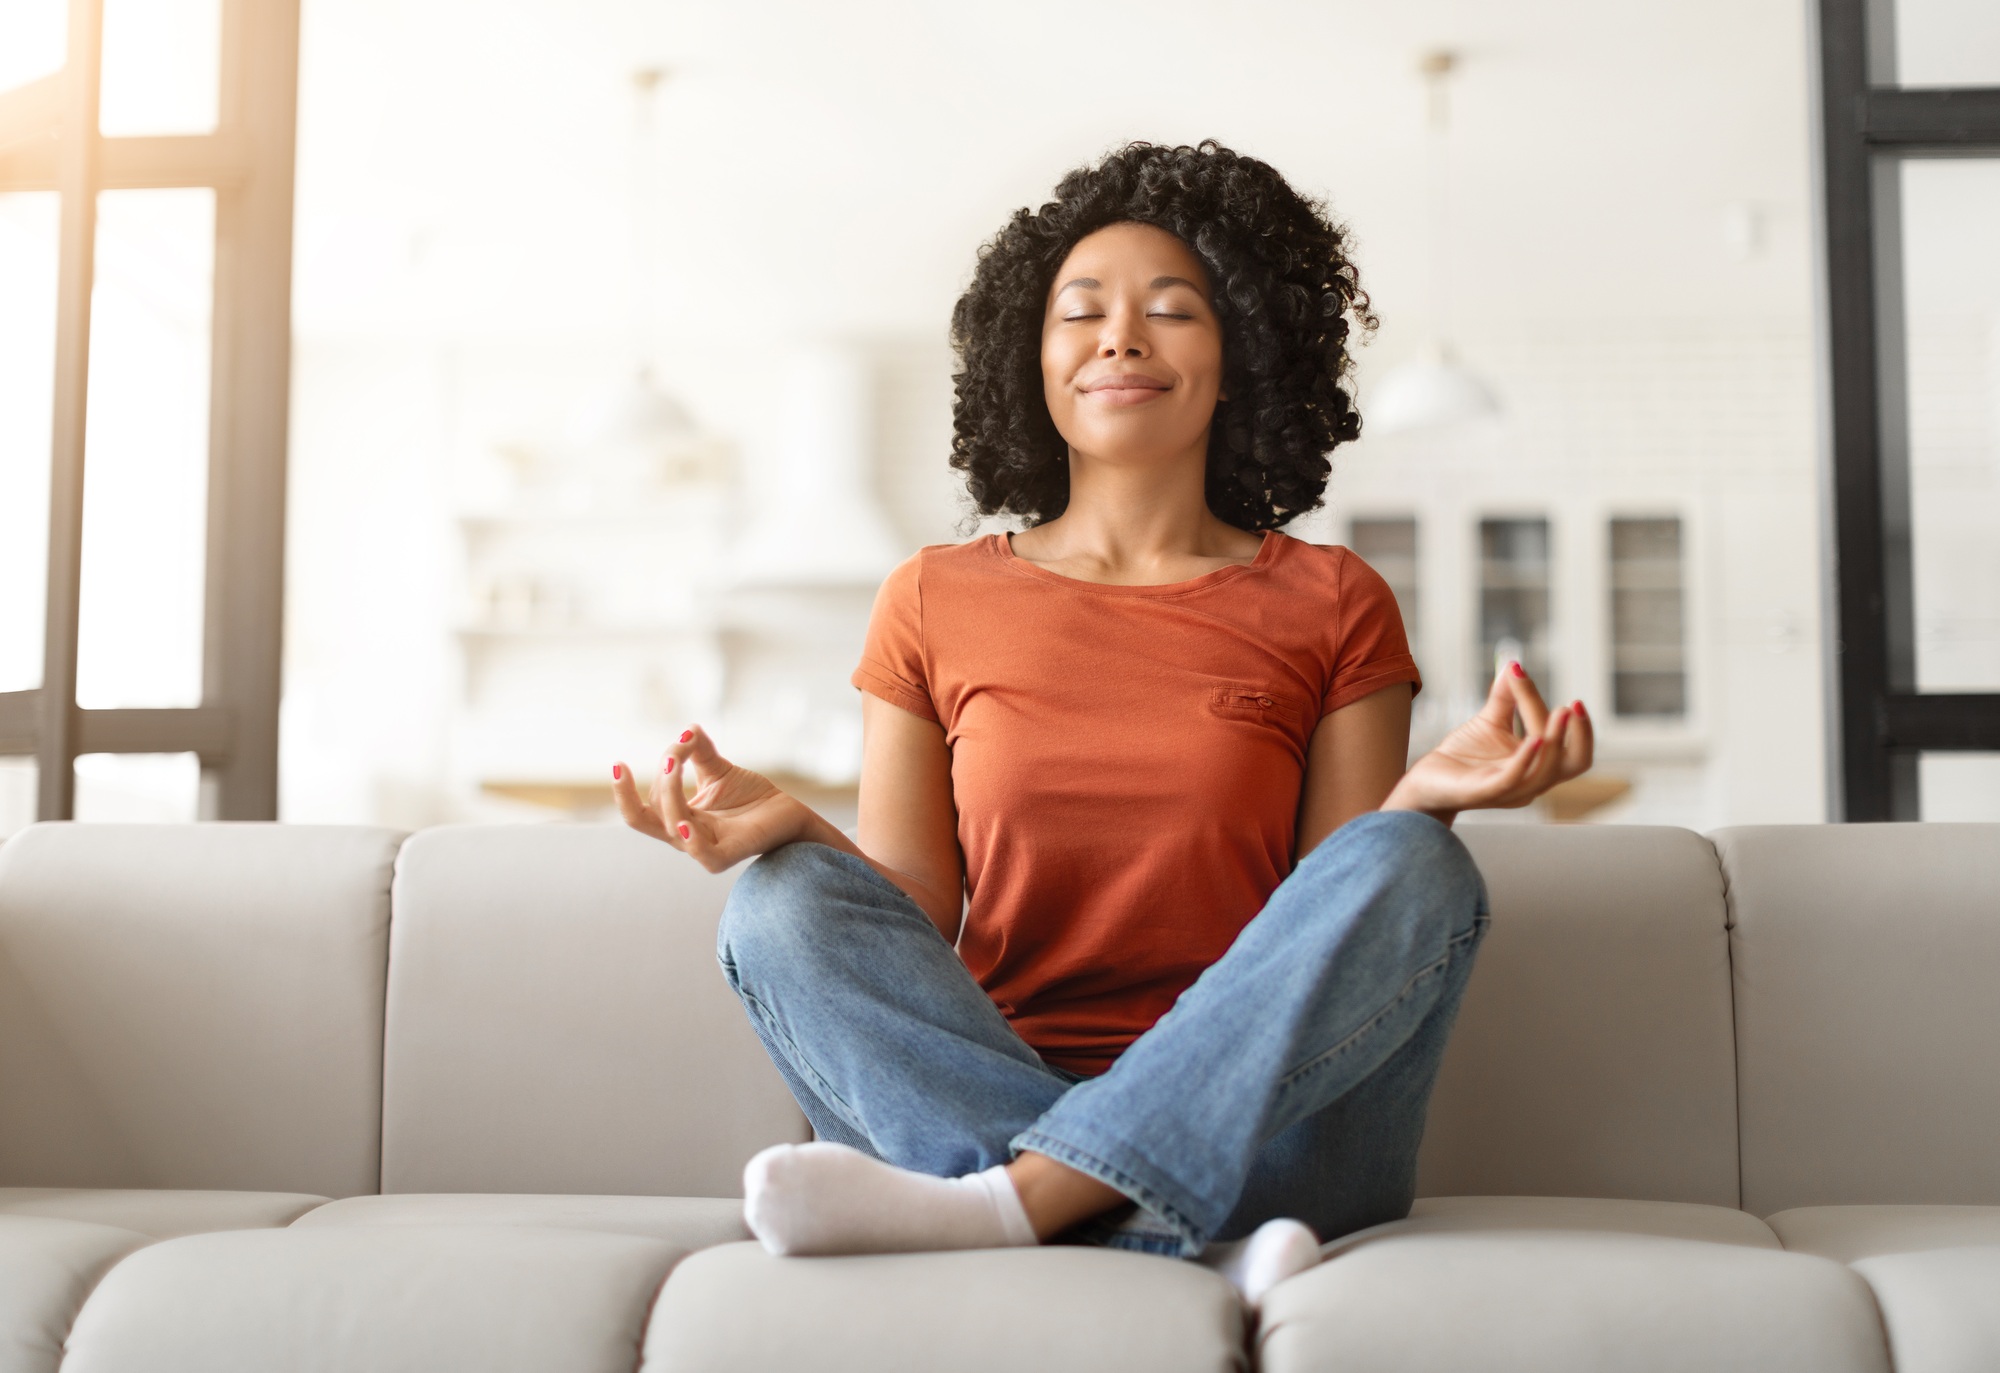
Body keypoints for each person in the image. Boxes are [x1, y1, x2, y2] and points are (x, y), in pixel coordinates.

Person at [613, 141, 1591, 1305]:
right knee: (776, 899)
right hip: (994, 1086)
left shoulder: (1332, 600)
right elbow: (915, 914)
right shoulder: (932, 598)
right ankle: (1159, 1231)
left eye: (1169, 311)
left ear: (1239, 359)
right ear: (1033, 362)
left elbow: (1334, 916)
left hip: (1272, 1134)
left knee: (1414, 858)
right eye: (1080, 312)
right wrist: (798, 830)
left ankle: (1016, 1203)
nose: (1119, 337)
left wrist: (1423, 800)